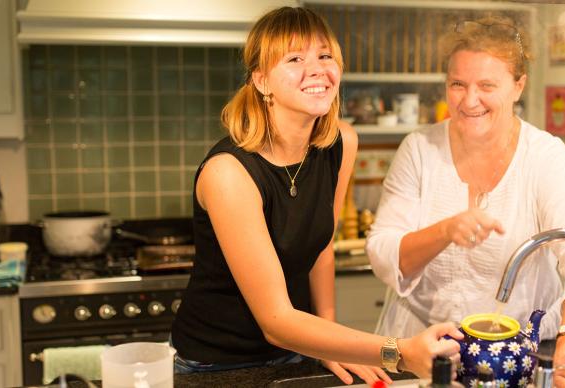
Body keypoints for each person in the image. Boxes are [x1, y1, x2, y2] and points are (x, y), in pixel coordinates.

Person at [169, 6, 462, 385]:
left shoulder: (342, 144)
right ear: (261, 80)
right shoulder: (229, 173)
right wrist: (399, 352)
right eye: (294, 59)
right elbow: (276, 321)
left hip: (298, 347)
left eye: (325, 56)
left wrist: (329, 341)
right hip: (216, 364)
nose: (317, 70)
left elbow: (321, 246)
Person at [365, 15, 565, 388]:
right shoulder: (419, 149)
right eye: (457, 84)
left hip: (517, 358)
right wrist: (445, 231)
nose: (469, 100)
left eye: (486, 85)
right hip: (422, 355)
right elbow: (383, 251)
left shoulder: (546, 158)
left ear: (518, 86)